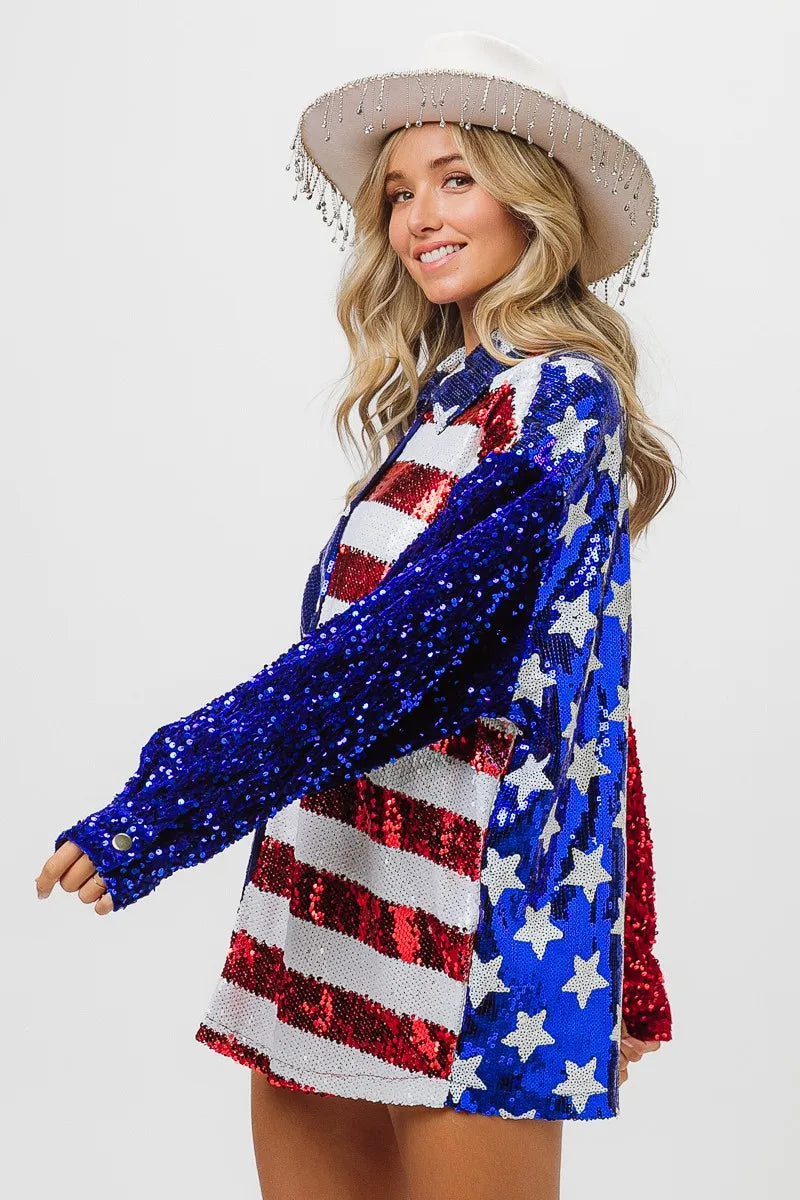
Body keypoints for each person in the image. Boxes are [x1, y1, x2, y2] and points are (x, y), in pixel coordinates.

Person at [35, 30, 677, 1200]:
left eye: (455, 178)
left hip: (470, 933)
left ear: (530, 202)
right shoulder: (442, 412)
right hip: (328, 893)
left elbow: (413, 653)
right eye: (397, 191)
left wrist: (171, 795)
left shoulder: (560, 400)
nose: (419, 216)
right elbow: (565, 679)